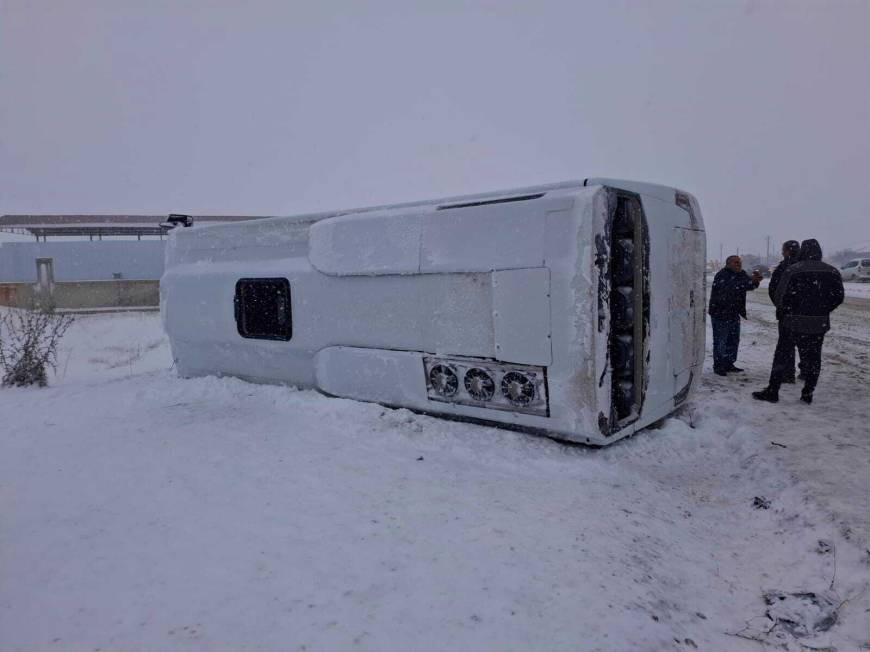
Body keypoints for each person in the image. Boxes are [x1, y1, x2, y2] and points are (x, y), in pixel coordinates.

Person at [753, 239, 844, 404]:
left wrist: (787, 311)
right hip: (819, 322)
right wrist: (822, 310)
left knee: (782, 355)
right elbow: (838, 297)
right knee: (814, 357)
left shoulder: (793, 270)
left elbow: (780, 295)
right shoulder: (832, 271)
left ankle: (773, 391)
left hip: (792, 322)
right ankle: (807, 393)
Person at [708, 255, 762, 376]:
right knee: (720, 341)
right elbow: (731, 288)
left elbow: (747, 285)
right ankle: (719, 365)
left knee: (733, 340)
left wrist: (755, 281)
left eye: (740, 262)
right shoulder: (722, 275)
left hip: (734, 313)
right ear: (728, 263)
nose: (739, 264)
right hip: (720, 313)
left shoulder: (741, 273)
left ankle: (729, 363)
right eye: (736, 262)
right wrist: (749, 281)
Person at [768, 240, 802, 383]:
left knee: (786, 344)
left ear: (787, 250)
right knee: (806, 343)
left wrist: (781, 305)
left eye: (783, 250)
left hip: (787, 313)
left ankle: (787, 374)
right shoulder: (804, 265)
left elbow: (774, 288)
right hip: (805, 313)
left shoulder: (785, 267)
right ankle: (807, 371)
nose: (782, 252)